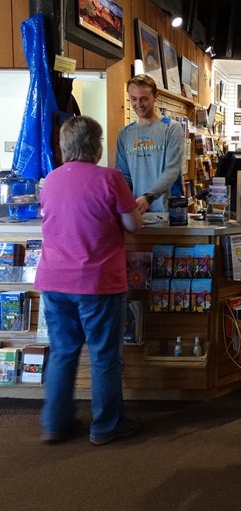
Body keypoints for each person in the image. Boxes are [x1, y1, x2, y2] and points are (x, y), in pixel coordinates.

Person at [34, 115, 143, 446]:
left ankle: (54, 424)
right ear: (96, 148)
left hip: (53, 281)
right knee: (104, 355)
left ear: (65, 147)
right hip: (97, 281)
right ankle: (106, 425)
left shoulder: (50, 179)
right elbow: (133, 225)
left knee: (63, 352)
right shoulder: (110, 178)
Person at [116, 74, 184, 214]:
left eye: (144, 99)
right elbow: (123, 176)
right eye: (133, 99)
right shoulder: (125, 133)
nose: (138, 105)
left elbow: (172, 170)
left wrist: (149, 197)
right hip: (137, 214)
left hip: (167, 213)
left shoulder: (172, 128)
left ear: (155, 96)